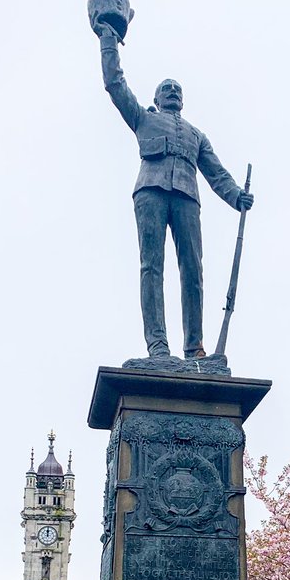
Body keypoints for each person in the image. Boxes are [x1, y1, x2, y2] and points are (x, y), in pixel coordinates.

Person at [95, 21, 253, 360]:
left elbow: (216, 173)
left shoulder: (196, 135)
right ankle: (158, 345)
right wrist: (108, 41)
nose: (172, 90)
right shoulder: (143, 117)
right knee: (151, 267)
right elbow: (114, 84)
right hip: (150, 192)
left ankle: (195, 347)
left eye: (177, 88)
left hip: (187, 198)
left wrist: (236, 195)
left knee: (193, 270)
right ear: (155, 98)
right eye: (166, 87)